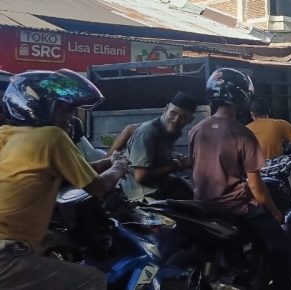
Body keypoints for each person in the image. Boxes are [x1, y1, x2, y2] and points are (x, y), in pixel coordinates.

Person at [0, 69, 130, 290]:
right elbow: (97, 188)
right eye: (64, 108)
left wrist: (107, 163)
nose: (70, 116)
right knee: (93, 280)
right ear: (37, 105)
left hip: (9, 240)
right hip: (6, 255)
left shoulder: (7, 134)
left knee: (57, 243)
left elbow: (62, 172)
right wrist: (119, 167)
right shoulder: (52, 137)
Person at [189, 68, 291, 289]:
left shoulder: (196, 130)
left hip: (203, 206)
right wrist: (274, 211)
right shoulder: (242, 133)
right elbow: (255, 185)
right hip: (236, 207)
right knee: (280, 244)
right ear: (242, 96)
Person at [121, 91, 198, 202]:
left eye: (183, 117)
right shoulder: (148, 132)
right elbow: (140, 176)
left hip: (156, 189)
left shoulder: (171, 132)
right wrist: (177, 165)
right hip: (139, 196)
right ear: (166, 109)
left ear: (190, 120)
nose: (176, 120)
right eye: (173, 113)